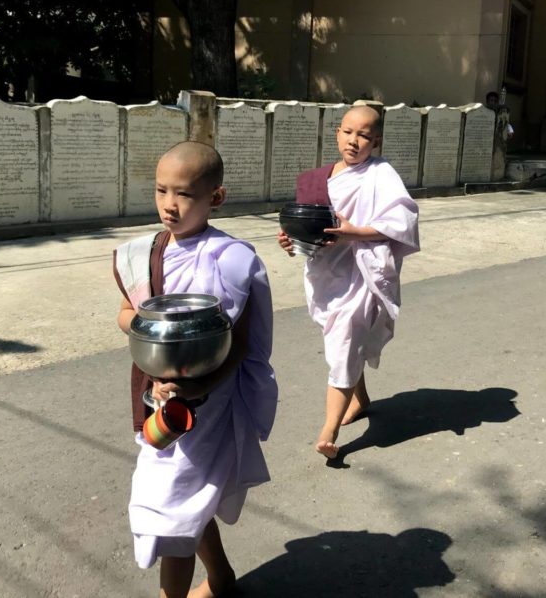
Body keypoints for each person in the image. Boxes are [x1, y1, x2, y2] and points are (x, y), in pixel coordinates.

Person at [113, 141, 278, 598]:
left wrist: (200, 384)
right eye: (161, 190)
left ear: (216, 198)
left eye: (184, 194)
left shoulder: (232, 260)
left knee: (172, 508)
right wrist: (148, 322)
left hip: (206, 403)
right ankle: (221, 577)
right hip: (158, 396)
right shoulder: (144, 253)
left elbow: (241, 343)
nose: (170, 204)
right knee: (184, 501)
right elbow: (125, 313)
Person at [277, 105, 420, 459]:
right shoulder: (320, 178)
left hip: (361, 272)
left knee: (343, 344)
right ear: (337, 133)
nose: (354, 141)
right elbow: (310, 228)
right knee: (346, 341)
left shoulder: (381, 174)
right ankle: (362, 398)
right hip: (327, 273)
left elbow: (403, 222)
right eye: (348, 132)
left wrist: (352, 233)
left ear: (376, 141)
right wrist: (292, 241)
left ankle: (329, 430)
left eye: (364, 136)